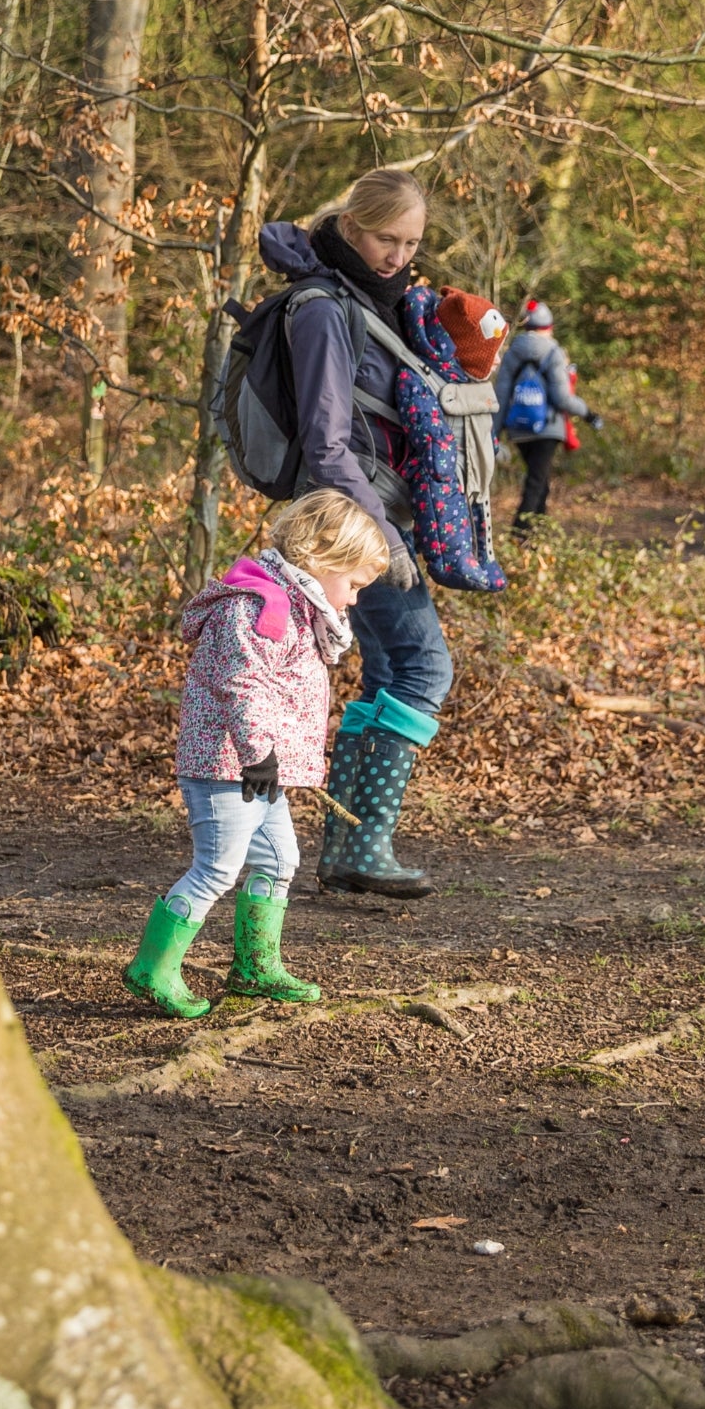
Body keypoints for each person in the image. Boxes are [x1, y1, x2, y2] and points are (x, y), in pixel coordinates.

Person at [252, 168, 457, 899]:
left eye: (412, 243)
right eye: (384, 239)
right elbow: (328, 443)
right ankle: (362, 845)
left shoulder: (373, 300)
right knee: (424, 669)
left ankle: (350, 851)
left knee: (391, 670)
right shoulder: (321, 308)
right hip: (348, 522)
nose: (398, 257)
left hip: (371, 514)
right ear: (349, 226)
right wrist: (386, 539)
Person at [124, 492, 390, 1019]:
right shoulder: (260, 605)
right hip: (229, 764)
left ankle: (255, 965)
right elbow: (243, 682)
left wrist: (273, 760)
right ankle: (153, 967)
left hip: (258, 769)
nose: (356, 599)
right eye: (354, 584)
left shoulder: (295, 606)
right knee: (218, 867)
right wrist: (259, 752)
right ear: (320, 556)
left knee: (279, 859)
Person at [494, 299, 599, 531]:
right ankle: (520, 532)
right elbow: (562, 398)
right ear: (549, 327)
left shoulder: (511, 353)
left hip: (518, 429)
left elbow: (501, 396)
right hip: (547, 428)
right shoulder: (554, 352)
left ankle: (535, 534)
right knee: (536, 482)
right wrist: (589, 414)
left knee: (540, 482)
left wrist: (494, 434)